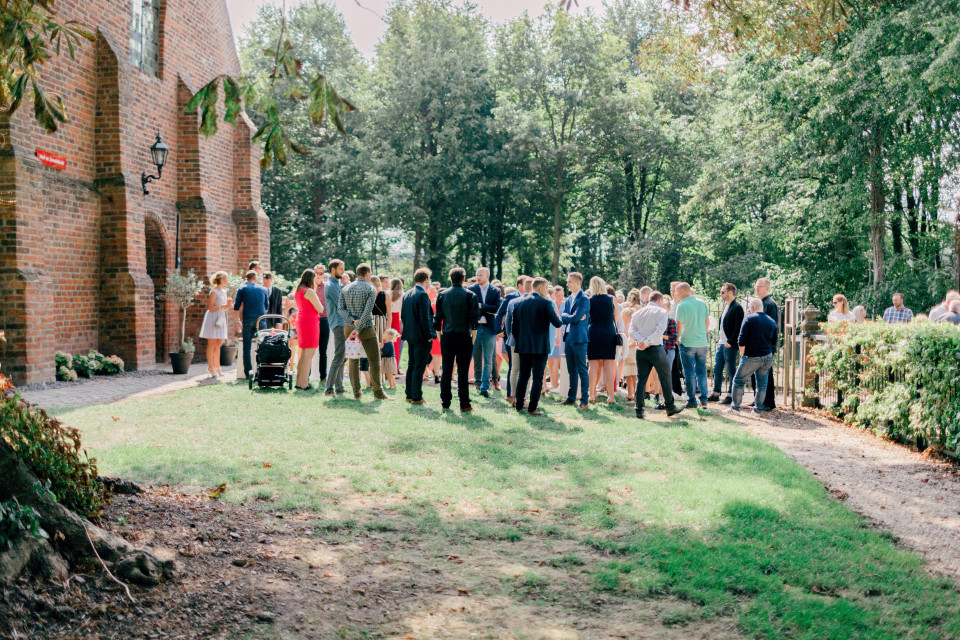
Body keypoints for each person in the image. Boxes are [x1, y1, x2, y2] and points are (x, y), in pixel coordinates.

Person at [338, 264, 392, 401]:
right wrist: (359, 326)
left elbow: (340, 309)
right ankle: (378, 392)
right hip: (366, 327)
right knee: (374, 359)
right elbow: (368, 311)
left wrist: (353, 321)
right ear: (368, 273)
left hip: (349, 327)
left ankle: (357, 393)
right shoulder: (370, 288)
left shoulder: (345, 288)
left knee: (353, 360)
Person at [629, 291, 684, 419]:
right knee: (665, 376)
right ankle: (670, 407)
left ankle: (639, 409)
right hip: (656, 349)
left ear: (649, 299)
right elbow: (659, 330)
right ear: (659, 300)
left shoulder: (638, 313)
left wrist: (641, 341)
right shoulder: (662, 312)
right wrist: (647, 341)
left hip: (641, 350)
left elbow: (631, 331)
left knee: (641, 379)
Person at [512, 277, 563, 415]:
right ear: (540, 288)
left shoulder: (519, 303)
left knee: (523, 376)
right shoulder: (546, 303)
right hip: (540, 346)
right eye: (546, 288)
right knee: (538, 377)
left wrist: (520, 340)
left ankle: (518, 405)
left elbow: (514, 328)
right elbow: (557, 323)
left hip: (523, 345)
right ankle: (532, 407)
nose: (547, 291)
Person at [434, 267, 479, 411]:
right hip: (464, 335)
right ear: (463, 279)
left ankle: (445, 401)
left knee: (446, 369)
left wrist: (441, 337)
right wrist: (473, 339)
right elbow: (474, 320)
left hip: (447, 335)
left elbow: (437, 320)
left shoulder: (442, 295)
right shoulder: (470, 295)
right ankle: (464, 403)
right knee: (463, 370)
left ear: (450, 278)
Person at [727, 297, 778, 413]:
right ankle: (758, 409)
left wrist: (742, 354)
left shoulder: (749, 318)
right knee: (762, 385)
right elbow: (774, 341)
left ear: (752, 308)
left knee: (738, 381)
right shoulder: (771, 321)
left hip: (752, 356)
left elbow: (741, 339)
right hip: (767, 356)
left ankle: (735, 408)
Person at [400, 268, 436, 404]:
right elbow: (425, 318)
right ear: (426, 279)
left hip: (410, 335)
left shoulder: (407, 294)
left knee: (411, 365)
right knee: (419, 366)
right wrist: (428, 336)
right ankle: (416, 396)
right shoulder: (423, 295)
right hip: (421, 336)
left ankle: (409, 394)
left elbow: (404, 316)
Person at [674, 282, 709, 409]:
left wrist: (677, 340)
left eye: (677, 291)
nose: (676, 294)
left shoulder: (682, 305)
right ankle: (704, 399)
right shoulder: (702, 303)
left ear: (683, 291)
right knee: (701, 372)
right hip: (701, 343)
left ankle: (692, 400)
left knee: (689, 373)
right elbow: (707, 322)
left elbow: (679, 326)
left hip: (688, 343)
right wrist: (702, 335)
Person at [469, 267, 502, 397]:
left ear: (487, 276)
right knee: (474, 356)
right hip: (475, 327)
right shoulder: (471, 289)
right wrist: (486, 309)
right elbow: (470, 308)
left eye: (481, 275)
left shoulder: (495, 291)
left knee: (488, 359)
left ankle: (485, 387)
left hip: (489, 328)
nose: (478, 277)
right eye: (477, 275)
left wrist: (482, 306)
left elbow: (497, 308)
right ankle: (477, 382)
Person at [708, 283, 744, 405]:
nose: (720, 294)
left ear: (730, 292)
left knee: (730, 370)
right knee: (717, 368)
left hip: (729, 344)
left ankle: (731, 395)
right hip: (721, 343)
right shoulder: (726, 306)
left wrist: (730, 342)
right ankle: (716, 393)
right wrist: (720, 339)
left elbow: (738, 328)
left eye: (722, 292)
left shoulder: (737, 308)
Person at [559, 272, 590, 408]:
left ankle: (584, 401)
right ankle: (571, 398)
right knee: (571, 370)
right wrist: (569, 316)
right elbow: (564, 316)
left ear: (578, 283)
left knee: (582, 370)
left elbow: (576, 318)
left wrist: (568, 316)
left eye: (570, 281)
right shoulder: (568, 299)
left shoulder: (584, 299)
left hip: (579, 339)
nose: (567, 284)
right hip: (568, 337)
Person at [495, 275, 529, 401]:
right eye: (526, 283)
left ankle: (522, 394)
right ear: (520, 285)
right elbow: (500, 314)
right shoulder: (511, 297)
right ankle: (510, 394)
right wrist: (500, 330)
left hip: (526, 338)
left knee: (523, 367)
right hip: (511, 337)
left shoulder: (533, 297)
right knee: (513, 366)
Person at [587, 277, 618, 405]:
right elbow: (617, 318)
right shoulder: (611, 299)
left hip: (593, 332)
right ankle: (611, 396)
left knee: (593, 365)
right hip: (608, 332)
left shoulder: (589, 301)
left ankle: (592, 394)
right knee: (609, 365)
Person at [233, 270, 269, 378]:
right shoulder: (263, 289)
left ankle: (248, 373)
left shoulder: (242, 288)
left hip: (248, 319)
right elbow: (267, 307)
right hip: (261, 319)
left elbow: (236, 306)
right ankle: (263, 371)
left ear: (246, 278)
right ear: (256, 278)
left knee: (246, 348)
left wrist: (237, 320)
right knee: (263, 346)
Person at [294, 269, 323, 390]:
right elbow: (320, 308)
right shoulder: (309, 291)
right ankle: (304, 383)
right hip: (310, 322)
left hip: (301, 320)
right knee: (309, 353)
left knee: (304, 353)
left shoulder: (298, 290)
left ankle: (299, 382)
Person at [199, 271, 232, 378]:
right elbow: (210, 307)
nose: (228, 281)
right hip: (212, 318)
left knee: (219, 342)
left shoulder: (223, 291)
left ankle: (217, 366)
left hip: (220, 318)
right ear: (222, 280)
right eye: (226, 279)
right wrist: (223, 306)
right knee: (212, 342)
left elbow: (222, 307)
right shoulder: (214, 292)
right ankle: (210, 367)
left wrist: (228, 306)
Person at [755, 277, 779, 410]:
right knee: (757, 375)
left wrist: (770, 346)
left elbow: (773, 327)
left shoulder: (770, 304)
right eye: (756, 287)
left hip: (766, 346)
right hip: (758, 346)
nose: (756, 289)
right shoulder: (759, 303)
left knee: (766, 375)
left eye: (759, 286)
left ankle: (768, 402)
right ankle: (758, 401)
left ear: (767, 288)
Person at [324, 259, 347, 395]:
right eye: (340, 269)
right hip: (338, 323)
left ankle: (339, 387)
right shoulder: (331, 286)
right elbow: (341, 304)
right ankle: (329, 388)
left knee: (343, 356)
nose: (343, 271)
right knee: (339, 356)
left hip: (341, 323)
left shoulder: (337, 283)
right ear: (333, 269)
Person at [547, 286, 565, 392]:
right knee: (550, 360)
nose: (560, 297)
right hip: (551, 333)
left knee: (558, 360)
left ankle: (559, 383)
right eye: (558, 295)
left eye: (562, 295)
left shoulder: (565, 305)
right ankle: (554, 383)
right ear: (554, 295)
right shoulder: (551, 304)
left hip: (561, 336)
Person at [314, 264, 329, 384]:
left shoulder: (327, 287)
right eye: (316, 273)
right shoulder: (309, 286)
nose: (318, 276)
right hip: (312, 321)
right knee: (308, 350)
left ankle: (323, 376)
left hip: (324, 320)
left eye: (321, 273)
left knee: (323, 351)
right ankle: (306, 376)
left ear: (324, 274)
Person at [621, 307, 638, 402]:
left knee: (633, 375)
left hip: (632, 353)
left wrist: (625, 345)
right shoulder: (631, 326)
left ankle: (634, 394)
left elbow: (634, 342)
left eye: (623, 317)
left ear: (628, 316)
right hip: (629, 354)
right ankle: (630, 394)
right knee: (629, 375)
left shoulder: (633, 326)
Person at [427, 284, 442, 383]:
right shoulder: (434, 304)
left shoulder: (432, 304)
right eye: (434, 291)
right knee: (437, 354)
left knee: (436, 354)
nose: (436, 292)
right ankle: (437, 374)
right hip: (437, 330)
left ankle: (436, 373)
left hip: (435, 330)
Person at [389, 278, 404, 371]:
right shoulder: (403, 295)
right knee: (396, 344)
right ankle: (395, 368)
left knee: (388, 342)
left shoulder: (388, 293)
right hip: (397, 319)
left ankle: (387, 368)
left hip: (389, 317)